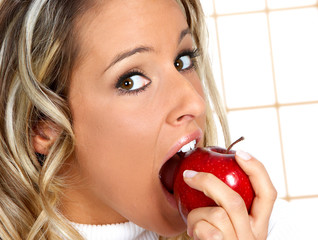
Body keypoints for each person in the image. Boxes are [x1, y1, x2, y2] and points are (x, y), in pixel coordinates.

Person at [0, 0, 303, 239]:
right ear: (41, 124)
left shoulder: (270, 230)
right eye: (131, 81)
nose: (194, 101)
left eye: (183, 61)